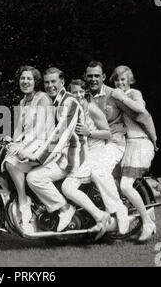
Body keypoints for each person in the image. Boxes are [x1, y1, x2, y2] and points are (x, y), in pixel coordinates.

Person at [24, 67, 85, 232]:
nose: (50, 85)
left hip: (73, 155)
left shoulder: (69, 101)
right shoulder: (53, 102)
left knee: (34, 178)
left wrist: (38, 157)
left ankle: (65, 209)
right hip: (60, 154)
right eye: (46, 82)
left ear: (62, 82)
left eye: (53, 82)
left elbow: (60, 135)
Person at [3, 66, 54, 233]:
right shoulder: (22, 102)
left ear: (35, 82)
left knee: (11, 162)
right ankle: (18, 202)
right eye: (22, 78)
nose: (25, 82)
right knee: (5, 160)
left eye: (29, 79)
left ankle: (24, 202)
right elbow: (19, 129)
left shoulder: (43, 99)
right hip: (29, 142)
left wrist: (20, 146)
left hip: (43, 144)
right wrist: (12, 140)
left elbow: (39, 131)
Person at [60, 79, 113, 240]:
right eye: (74, 92)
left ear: (85, 93)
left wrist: (89, 132)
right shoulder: (72, 110)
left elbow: (108, 133)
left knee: (67, 186)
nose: (78, 95)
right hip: (81, 152)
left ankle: (99, 216)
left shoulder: (91, 109)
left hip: (95, 153)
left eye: (81, 92)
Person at [109, 65, 157, 241]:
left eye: (123, 79)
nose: (120, 83)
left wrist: (120, 96)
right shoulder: (116, 98)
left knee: (125, 186)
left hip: (139, 143)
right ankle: (147, 215)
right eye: (117, 80)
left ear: (129, 80)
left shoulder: (134, 93)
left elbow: (141, 109)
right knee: (111, 177)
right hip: (128, 144)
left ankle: (147, 222)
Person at [84, 61, 129, 234]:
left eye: (97, 75)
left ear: (103, 77)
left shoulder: (114, 94)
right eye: (90, 76)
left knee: (99, 172)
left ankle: (119, 211)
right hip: (94, 143)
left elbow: (135, 114)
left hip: (114, 141)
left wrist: (146, 139)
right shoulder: (84, 95)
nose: (93, 79)